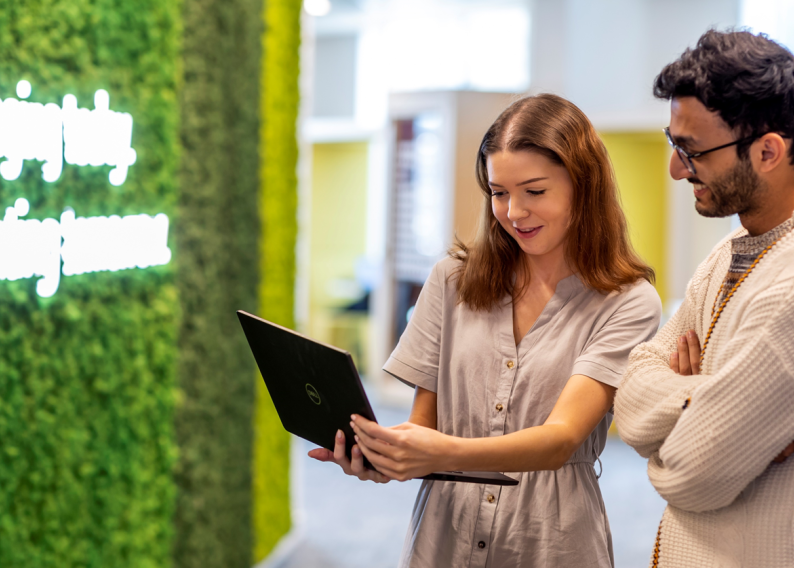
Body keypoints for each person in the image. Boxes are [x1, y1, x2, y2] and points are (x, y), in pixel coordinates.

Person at [309, 93, 661, 567]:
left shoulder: (627, 301)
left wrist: (440, 453)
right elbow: (424, 427)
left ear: (585, 186)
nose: (514, 212)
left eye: (534, 192)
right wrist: (387, 457)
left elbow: (560, 439)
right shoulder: (451, 280)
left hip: (551, 545)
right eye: (499, 192)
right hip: (443, 542)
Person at [614, 29, 794, 568]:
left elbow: (695, 472)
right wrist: (703, 399)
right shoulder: (728, 252)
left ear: (767, 151)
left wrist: (697, 415)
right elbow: (630, 397)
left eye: (691, 150)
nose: (675, 168)